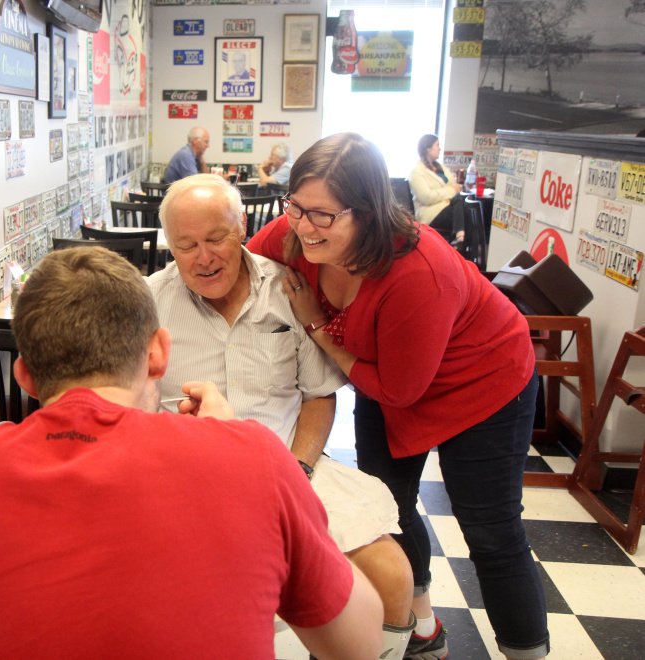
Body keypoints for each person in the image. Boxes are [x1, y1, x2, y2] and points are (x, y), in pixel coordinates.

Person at [0, 246, 384, 659]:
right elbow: (359, 644)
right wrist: (234, 441)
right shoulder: (251, 457)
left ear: (25, 376)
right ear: (158, 354)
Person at [247, 133, 548, 660]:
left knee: (490, 528)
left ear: (366, 213)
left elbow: (397, 389)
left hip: (483, 381)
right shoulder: (299, 231)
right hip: (383, 375)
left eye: (323, 215)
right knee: (389, 507)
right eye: (295, 207)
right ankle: (422, 624)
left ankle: (526, 652)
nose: (301, 225)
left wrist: (319, 327)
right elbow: (245, 266)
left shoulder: (417, 270)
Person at [149, 174, 416, 659]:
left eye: (216, 239)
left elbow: (318, 395)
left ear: (242, 226)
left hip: (290, 465)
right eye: (186, 245)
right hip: (184, 480)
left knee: (393, 575)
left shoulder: (288, 289)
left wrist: (298, 471)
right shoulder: (148, 305)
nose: (204, 259)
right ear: (169, 244)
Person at [407, 134, 465, 244]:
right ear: (428, 148)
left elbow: (453, 184)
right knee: (459, 202)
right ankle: (460, 240)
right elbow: (426, 197)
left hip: (448, 207)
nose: (440, 148)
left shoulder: (440, 168)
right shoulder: (417, 172)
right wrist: (451, 191)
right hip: (431, 213)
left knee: (466, 208)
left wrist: (452, 190)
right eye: (437, 145)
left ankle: (461, 241)